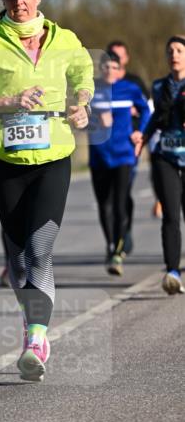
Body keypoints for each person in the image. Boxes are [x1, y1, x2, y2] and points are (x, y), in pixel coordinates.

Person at [0, 0, 94, 382]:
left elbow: (83, 73)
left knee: (38, 250)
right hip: (7, 160)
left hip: (53, 156)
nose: (19, 2)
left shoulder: (64, 39)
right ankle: (32, 319)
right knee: (15, 259)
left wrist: (82, 101)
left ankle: (36, 338)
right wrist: (6, 101)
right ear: (3, 1)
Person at [88, 52, 150, 275]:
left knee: (120, 203)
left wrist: (140, 132)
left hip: (124, 155)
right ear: (101, 69)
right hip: (99, 156)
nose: (110, 71)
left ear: (120, 68)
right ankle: (111, 245)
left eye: (114, 67)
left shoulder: (129, 89)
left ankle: (117, 252)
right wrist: (94, 119)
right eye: (106, 67)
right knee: (104, 205)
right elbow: (77, 117)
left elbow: (146, 110)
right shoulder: (91, 90)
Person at [136, 35, 185, 294]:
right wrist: (142, 137)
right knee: (170, 215)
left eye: (179, 50)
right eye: (170, 51)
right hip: (166, 155)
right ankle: (172, 272)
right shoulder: (158, 86)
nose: (174, 55)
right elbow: (155, 117)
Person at [105, 39, 155, 243]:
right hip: (106, 145)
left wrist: (140, 132)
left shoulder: (134, 82)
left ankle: (125, 232)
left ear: (126, 58)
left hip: (130, 143)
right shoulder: (99, 85)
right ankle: (115, 236)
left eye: (120, 55)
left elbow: (147, 108)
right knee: (109, 195)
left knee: (123, 191)